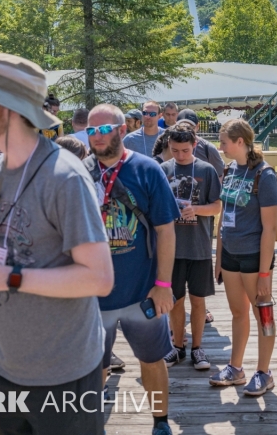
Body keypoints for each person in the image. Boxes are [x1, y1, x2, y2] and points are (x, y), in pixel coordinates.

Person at [0, 53, 113, 435]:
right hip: (5, 369)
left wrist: (7, 277)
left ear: (7, 106)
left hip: (66, 375)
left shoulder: (65, 177)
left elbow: (99, 278)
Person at [84, 104, 179, 435]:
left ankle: (160, 422)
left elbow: (166, 230)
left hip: (142, 291)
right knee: (93, 366)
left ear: (122, 130)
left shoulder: (147, 169)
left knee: (151, 360)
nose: (97, 136)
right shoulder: (79, 173)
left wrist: (163, 285)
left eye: (104, 129)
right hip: (94, 295)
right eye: (91, 131)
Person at [209, 119, 277, 396]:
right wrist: (218, 258)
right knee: (238, 313)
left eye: (224, 142)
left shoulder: (265, 175)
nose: (221, 147)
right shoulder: (230, 170)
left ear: (240, 142)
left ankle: (264, 372)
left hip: (253, 257)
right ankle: (235, 368)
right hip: (230, 255)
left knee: (263, 316)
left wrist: (264, 273)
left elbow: (270, 229)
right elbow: (224, 218)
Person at [159, 122, 221, 370]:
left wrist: (195, 209)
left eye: (185, 150)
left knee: (198, 300)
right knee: (175, 301)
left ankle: (197, 348)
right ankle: (177, 347)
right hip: (170, 250)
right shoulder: (163, 170)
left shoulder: (206, 170)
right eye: (175, 150)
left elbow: (217, 206)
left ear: (195, 145)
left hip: (199, 247)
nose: (180, 155)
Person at [176, 109, 224, 175]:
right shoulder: (169, 147)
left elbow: (220, 174)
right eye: (182, 127)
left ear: (197, 126)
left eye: (190, 127)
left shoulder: (208, 148)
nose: (186, 130)